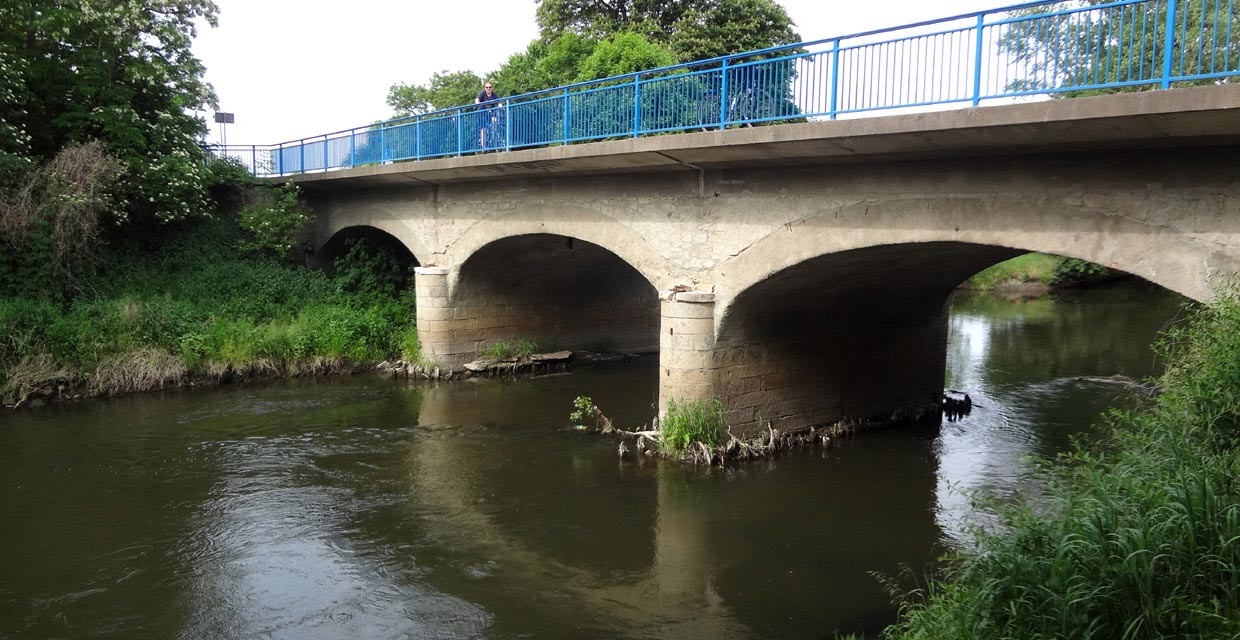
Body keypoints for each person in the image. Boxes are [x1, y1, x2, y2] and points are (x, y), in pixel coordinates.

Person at [475, 82, 503, 150]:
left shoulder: (494, 95)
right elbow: (477, 100)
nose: (488, 89)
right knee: (483, 129)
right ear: (485, 88)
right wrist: (478, 103)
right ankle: (483, 146)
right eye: (487, 87)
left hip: (490, 113)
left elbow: (499, 102)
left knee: (494, 121)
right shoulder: (482, 93)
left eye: (490, 87)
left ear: (492, 88)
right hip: (482, 113)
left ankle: (493, 138)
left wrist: (500, 106)